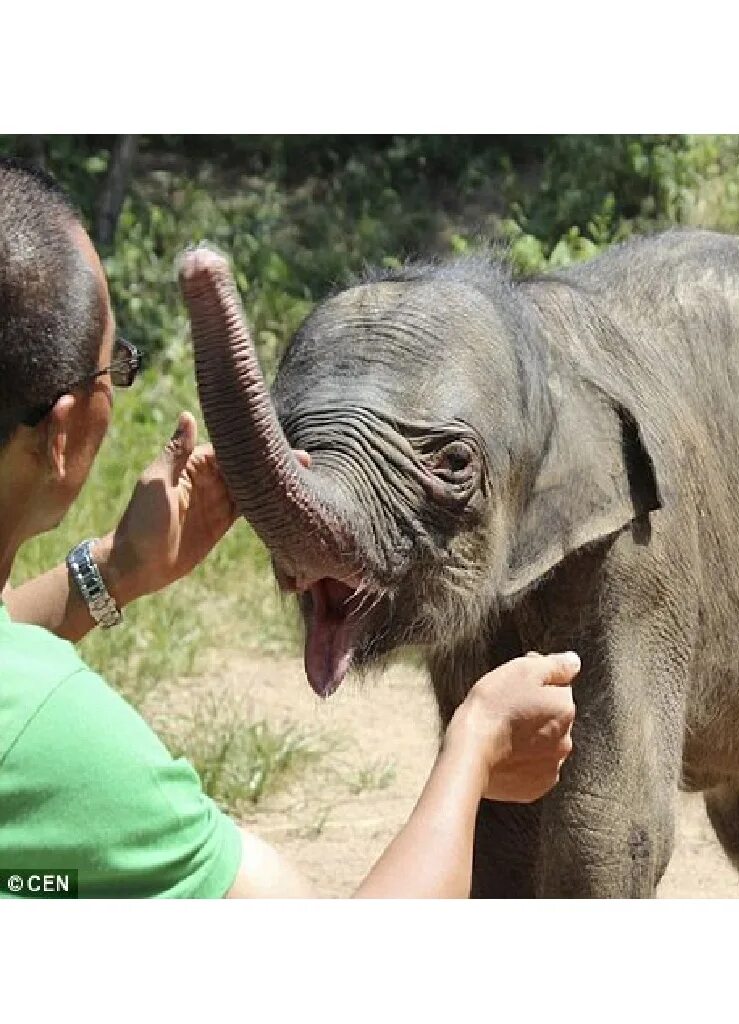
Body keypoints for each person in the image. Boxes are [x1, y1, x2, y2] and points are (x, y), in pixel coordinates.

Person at [0, 155, 578, 898]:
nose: (118, 382)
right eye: (118, 368)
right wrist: (472, 750)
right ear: (63, 433)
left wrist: (111, 572)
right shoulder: (65, 746)